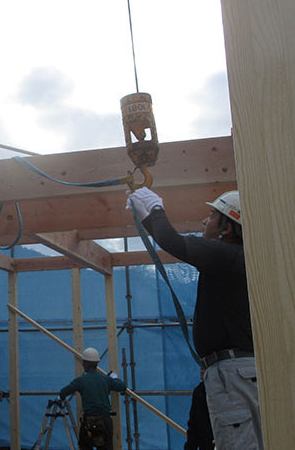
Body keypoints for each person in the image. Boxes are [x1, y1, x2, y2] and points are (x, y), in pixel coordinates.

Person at [127, 188, 262, 450]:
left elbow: (175, 242)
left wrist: (155, 209)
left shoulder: (226, 254)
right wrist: (147, 219)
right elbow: (173, 241)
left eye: (212, 215)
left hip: (233, 373)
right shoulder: (233, 260)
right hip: (238, 371)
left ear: (228, 228)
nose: (205, 220)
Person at [58, 347, 126, 450]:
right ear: (97, 363)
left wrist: (61, 398)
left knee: (85, 446)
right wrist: (114, 377)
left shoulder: (81, 380)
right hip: (105, 420)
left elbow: (63, 392)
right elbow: (122, 386)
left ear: (84, 363)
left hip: (89, 422)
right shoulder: (106, 379)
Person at [184, 369, 215, 450]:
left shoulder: (227, 390)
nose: (201, 369)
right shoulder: (199, 391)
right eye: (200, 365)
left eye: (204, 365)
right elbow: (193, 427)